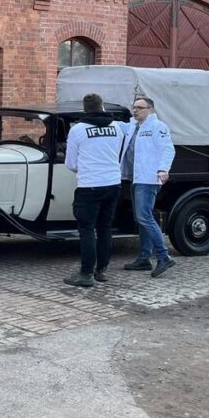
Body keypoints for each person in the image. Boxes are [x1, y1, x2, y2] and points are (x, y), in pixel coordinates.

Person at [62, 93, 125, 287]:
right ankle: (101, 270)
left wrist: (86, 168)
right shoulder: (116, 128)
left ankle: (86, 273)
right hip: (113, 183)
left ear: (84, 109)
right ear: (102, 107)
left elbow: (71, 163)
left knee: (87, 229)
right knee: (105, 227)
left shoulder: (78, 130)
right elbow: (118, 154)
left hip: (90, 185)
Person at [121, 95, 177, 278]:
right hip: (136, 178)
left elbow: (168, 149)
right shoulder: (133, 125)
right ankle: (144, 258)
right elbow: (116, 126)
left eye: (140, 108)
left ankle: (163, 256)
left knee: (144, 217)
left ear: (150, 110)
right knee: (143, 218)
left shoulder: (157, 126)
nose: (135, 110)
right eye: (134, 107)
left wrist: (163, 169)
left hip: (148, 179)